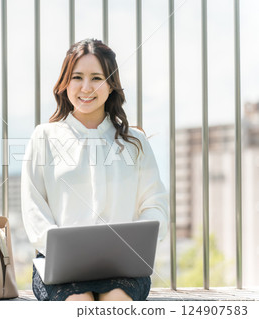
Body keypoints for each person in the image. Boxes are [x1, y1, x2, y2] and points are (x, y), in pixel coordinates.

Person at [20, 38, 169, 301]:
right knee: (80, 305)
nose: (86, 87)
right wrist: (60, 250)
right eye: (77, 77)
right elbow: (34, 208)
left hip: (122, 267)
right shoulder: (44, 137)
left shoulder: (134, 142)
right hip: (61, 268)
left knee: (116, 303)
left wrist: (135, 247)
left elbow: (155, 204)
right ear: (65, 83)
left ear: (111, 85)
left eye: (96, 77)